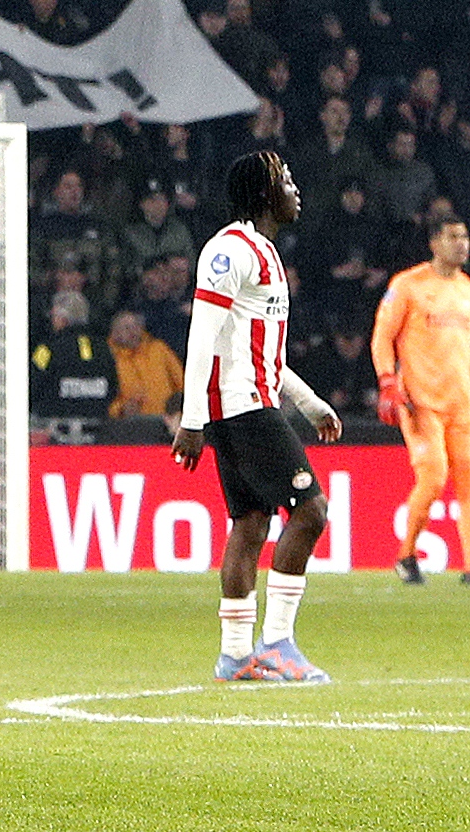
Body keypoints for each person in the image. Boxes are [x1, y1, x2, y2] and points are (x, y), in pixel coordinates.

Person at [173, 149, 342, 683]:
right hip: (243, 409)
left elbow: (263, 353)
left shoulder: (263, 252)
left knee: (250, 523)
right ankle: (277, 644)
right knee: (310, 510)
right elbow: (203, 335)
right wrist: (193, 417)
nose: (296, 188)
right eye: (287, 179)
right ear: (265, 190)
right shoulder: (230, 250)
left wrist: (312, 404)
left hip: (253, 402)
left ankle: (235, 656)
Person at [373, 211, 470, 586]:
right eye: (453, 237)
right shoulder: (408, 285)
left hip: (462, 405)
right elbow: (383, 336)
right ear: (434, 242)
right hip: (421, 402)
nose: (461, 244)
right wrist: (387, 382)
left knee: (467, 484)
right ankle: (407, 555)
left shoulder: (466, 289)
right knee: (433, 478)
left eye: (464, 236)